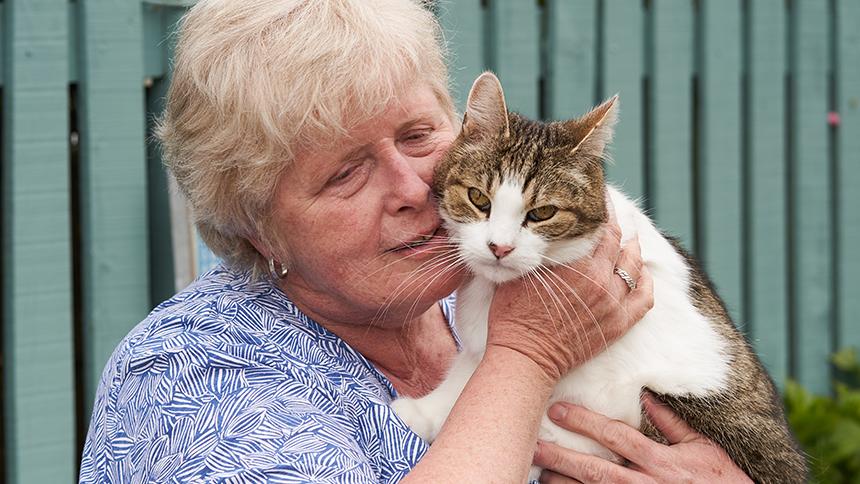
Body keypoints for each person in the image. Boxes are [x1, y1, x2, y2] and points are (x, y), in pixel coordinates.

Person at [79, 0, 751, 482]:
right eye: (345, 173)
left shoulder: (481, 282)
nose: (412, 186)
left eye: (418, 135)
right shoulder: (191, 382)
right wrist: (525, 358)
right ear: (256, 227)